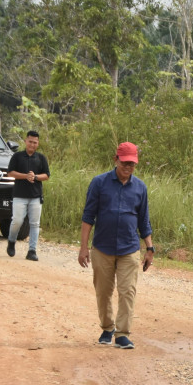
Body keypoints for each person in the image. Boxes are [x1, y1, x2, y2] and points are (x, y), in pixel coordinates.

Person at [78, 142, 153, 350]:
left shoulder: (140, 187)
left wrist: (150, 248)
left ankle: (122, 334)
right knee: (103, 292)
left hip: (129, 248)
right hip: (102, 248)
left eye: (132, 164)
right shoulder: (99, 183)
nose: (128, 167)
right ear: (116, 160)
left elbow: (144, 220)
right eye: (125, 163)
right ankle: (107, 327)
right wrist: (84, 247)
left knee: (127, 291)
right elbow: (88, 217)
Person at [5, 129, 50, 261]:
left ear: (38, 143)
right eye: (30, 142)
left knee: (35, 223)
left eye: (35, 142)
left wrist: (35, 177)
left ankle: (32, 250)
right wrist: (25, 176)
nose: (32, 145)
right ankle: (11, 241)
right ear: (25, 141)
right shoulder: (17, 156)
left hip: (35, 196)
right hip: (20, 195)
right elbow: (10, 173)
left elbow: (46, 175)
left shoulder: (41, 158)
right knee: (17, 221)